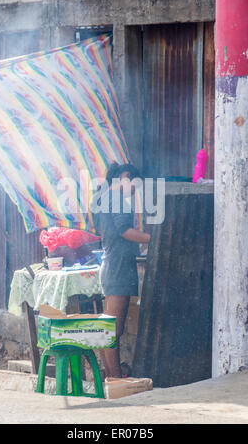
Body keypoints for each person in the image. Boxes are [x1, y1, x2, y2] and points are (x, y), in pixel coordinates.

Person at [91, 162, 151, 378]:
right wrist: (154, 239)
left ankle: (112, 377)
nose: (135, 191)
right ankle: (116, 380)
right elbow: (125, 231)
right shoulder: (118, 199)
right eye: (135, 186)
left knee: (109, 329)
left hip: (110, 265)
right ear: (126, 176)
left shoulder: (102, 197)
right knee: (114, 330)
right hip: (118, 268)